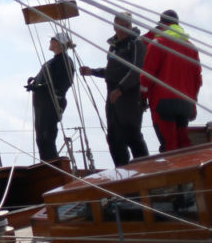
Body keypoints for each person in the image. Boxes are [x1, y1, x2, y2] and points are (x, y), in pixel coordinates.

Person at [79, 12, 149, 166]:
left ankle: (146, 170)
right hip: (112, 98)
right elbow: (111, 71)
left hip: (129, 97)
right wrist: (92, 71)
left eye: (127, 25)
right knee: (114, 138)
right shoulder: (114, 45)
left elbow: (136, 71)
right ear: (114, 27)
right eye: (120, 26)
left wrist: (120, 90)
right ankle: (123, 175)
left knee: (132, 135)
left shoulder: (136, 43)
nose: (124, 29)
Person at [141, 10, 203, 151]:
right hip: (185, 103)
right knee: (184, 144)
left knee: (169, 145)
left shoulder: (158, 43)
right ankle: (189, 171)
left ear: (161, 24)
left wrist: (142, 96)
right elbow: (197, 80)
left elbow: (147, 75)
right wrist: (192, 103)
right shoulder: (191, 47)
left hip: (162, 103)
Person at [26, 34, 75, 161]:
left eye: (52, 40)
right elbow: (46, 79)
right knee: (41, 138)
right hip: (42, 104)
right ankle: (46, 164)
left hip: (52, 103)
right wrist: (34, 81)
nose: (50, 41)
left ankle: (53, 165)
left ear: (59, 43)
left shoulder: (64, 61)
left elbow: (62, 83)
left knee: (47, 136)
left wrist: (39, 87)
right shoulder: (52, 61)